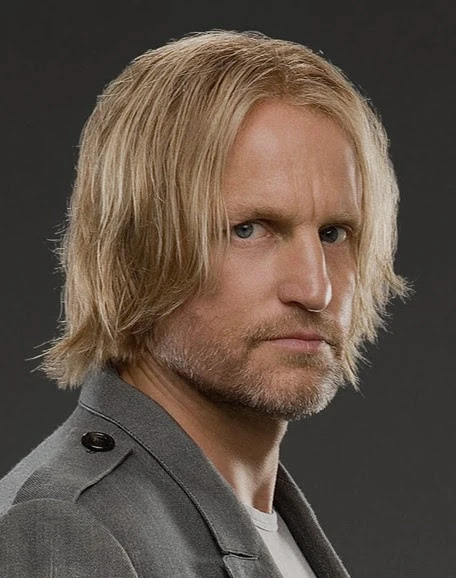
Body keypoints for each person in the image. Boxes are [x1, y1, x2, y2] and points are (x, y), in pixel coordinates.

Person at [0, 29, 412, 577]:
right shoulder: (70, 528)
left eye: (334, 234)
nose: (317, 290)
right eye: (249, 229)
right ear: (135, 248)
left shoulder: (274, 532)